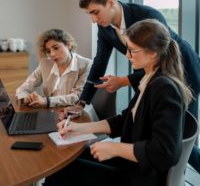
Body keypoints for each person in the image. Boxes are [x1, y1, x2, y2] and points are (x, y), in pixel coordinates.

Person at [71, 0, 200, 173]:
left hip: (184, 72)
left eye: (95, 12)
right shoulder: (105, 28)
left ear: (111, 2)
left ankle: (173, 177)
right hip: (151, 76)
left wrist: (123, 81)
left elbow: (160, 54)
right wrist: (82, 102)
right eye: (89, 14)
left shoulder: (147, 16)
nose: (93, 19)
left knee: (181, 139)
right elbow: (99, 63)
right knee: (147, 128)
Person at [44, 19, 193, 186]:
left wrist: (114, 148)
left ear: (153, 53)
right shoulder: (149, 80)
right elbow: (125, 120)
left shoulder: (164, 88)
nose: (127, 55)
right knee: (64, 164)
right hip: (131, 165)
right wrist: (79, 128)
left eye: (132, 50)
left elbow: (164, 153)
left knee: (61, 171)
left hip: (141, 176)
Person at [16, 29, 92, 108]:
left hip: (75, 114)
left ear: (69, 45)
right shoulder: (45, 64)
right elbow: (23, 88)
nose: (52, 54)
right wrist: (25, 98)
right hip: (51, 112)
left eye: (56, 48)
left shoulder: (86, 65)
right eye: (48, 51)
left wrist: (46, 101)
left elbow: (77, 97)